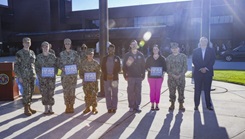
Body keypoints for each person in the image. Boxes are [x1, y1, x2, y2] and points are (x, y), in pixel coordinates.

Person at [14, 37, 37, 116]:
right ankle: (26, 108)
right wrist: (19, 76)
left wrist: (35, 74)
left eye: (28, 42)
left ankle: (29, 106)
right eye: (25, 42)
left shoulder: (32, 52)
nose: (27, 44)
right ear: (23, 43)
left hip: (32, 75)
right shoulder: (19, 53)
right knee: (26, 92)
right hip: (24, 76)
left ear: (30, 43)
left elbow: (34, 64)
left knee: (31, 91)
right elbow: (16, 66)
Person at [192, 37, 216, 111]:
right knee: (197, 90)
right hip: (198, 73)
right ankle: (196, 105)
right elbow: (194, 61)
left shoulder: (211, 50)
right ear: (200, 42)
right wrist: (200, 68)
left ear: (207, 42)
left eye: (205, 41)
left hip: (208, 73)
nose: (204, 42)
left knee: (207, 90)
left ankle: (208, 105)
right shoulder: (195, 51)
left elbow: (213, 60)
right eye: (202, 41)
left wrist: (205, 68)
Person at [123, 40, 145, 112]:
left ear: (137, 45)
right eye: (132, 44)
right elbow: (124, 66)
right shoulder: (127, 55)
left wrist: (143, 75)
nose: (134, 46)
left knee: (138, 92)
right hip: (130, 76)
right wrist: (125, 75)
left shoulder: (141, 55)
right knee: (130, 92)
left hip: (138, 76)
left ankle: (137, 105)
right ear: (130, 46)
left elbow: (143, 66)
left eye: (135, 44)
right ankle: (131, 106)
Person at [35, 41, 58, 114]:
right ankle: (45, 107)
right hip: (43, 79)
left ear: (49, 47)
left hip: (51, 79)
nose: (45, 48)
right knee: (44, 93)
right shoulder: (38, 57)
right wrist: (39, 73)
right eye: (44, 46)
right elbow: (36, 67)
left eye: (46, 46)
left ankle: (51, 108)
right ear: (41, 48)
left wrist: (55, 72)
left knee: (51, 92)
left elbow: (56, 65)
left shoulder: (52, 56)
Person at [59, 38, 80, 113]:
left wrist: (75, 68)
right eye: (66, 43)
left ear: (70, 44)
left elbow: (78, 63)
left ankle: (72, 106)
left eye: (68, 43)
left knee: (72, 91)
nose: (67, 45)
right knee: (66, 91)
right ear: (64, 45)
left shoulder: (75, 53)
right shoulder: (61, 54)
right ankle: (67, 106)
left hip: (72, 76)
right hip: (65, 76)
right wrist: (62, 68)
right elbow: (59, 63)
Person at [166, 42, 187, 111]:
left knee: (181, 92)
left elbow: (185, 67)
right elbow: (167, 69)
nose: (174, 49)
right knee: (172, 92)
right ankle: (172, 104)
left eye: (176, 48)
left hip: (181, 78)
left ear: (178, 49)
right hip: (171, 79)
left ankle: (181, 104)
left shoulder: (183, 57)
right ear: (171, 49)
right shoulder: (168, 58)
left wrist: (180, 75)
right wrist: (173, 75)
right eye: (173, 48)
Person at [79, 48, 101, 114]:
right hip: (86, 83)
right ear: (87, 55)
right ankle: (87, 107)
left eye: (91, 54)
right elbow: (81, 72)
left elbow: (99, 72)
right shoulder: (83, 63)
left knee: (94, 95)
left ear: (93, 55)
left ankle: (94, 108)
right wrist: (82, 77)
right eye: (89, 54)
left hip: (94, 83)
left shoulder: (96, 63)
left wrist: (96, 77)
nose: (90, 56)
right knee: (87, 95)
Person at [145, 44, 166, 111]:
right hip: (151, 77)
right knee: (152, 90)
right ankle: (152, 104)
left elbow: (165, 68)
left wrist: (163, 73)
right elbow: (146, 66)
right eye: (154, 49)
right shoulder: (149, 58)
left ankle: (157, 104)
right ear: (152, 50)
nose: (155, 50)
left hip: (159, 77)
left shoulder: (162, 58)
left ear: (158, 50)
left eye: (156, 49)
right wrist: (149, 69)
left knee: (158, 90)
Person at [101, 44, 121, 113]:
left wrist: (113, 74)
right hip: (106, 79)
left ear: (114, 50)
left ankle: (114, 107)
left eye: (112, 49)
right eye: (109, 49)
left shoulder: (117, 58)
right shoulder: (105, 58)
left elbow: (119, 69)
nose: (111, 50)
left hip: (114, 79)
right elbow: (102, 68)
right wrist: (107, 75)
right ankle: (109, 107)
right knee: (107, 93)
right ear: (108, 50)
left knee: (115, 93)